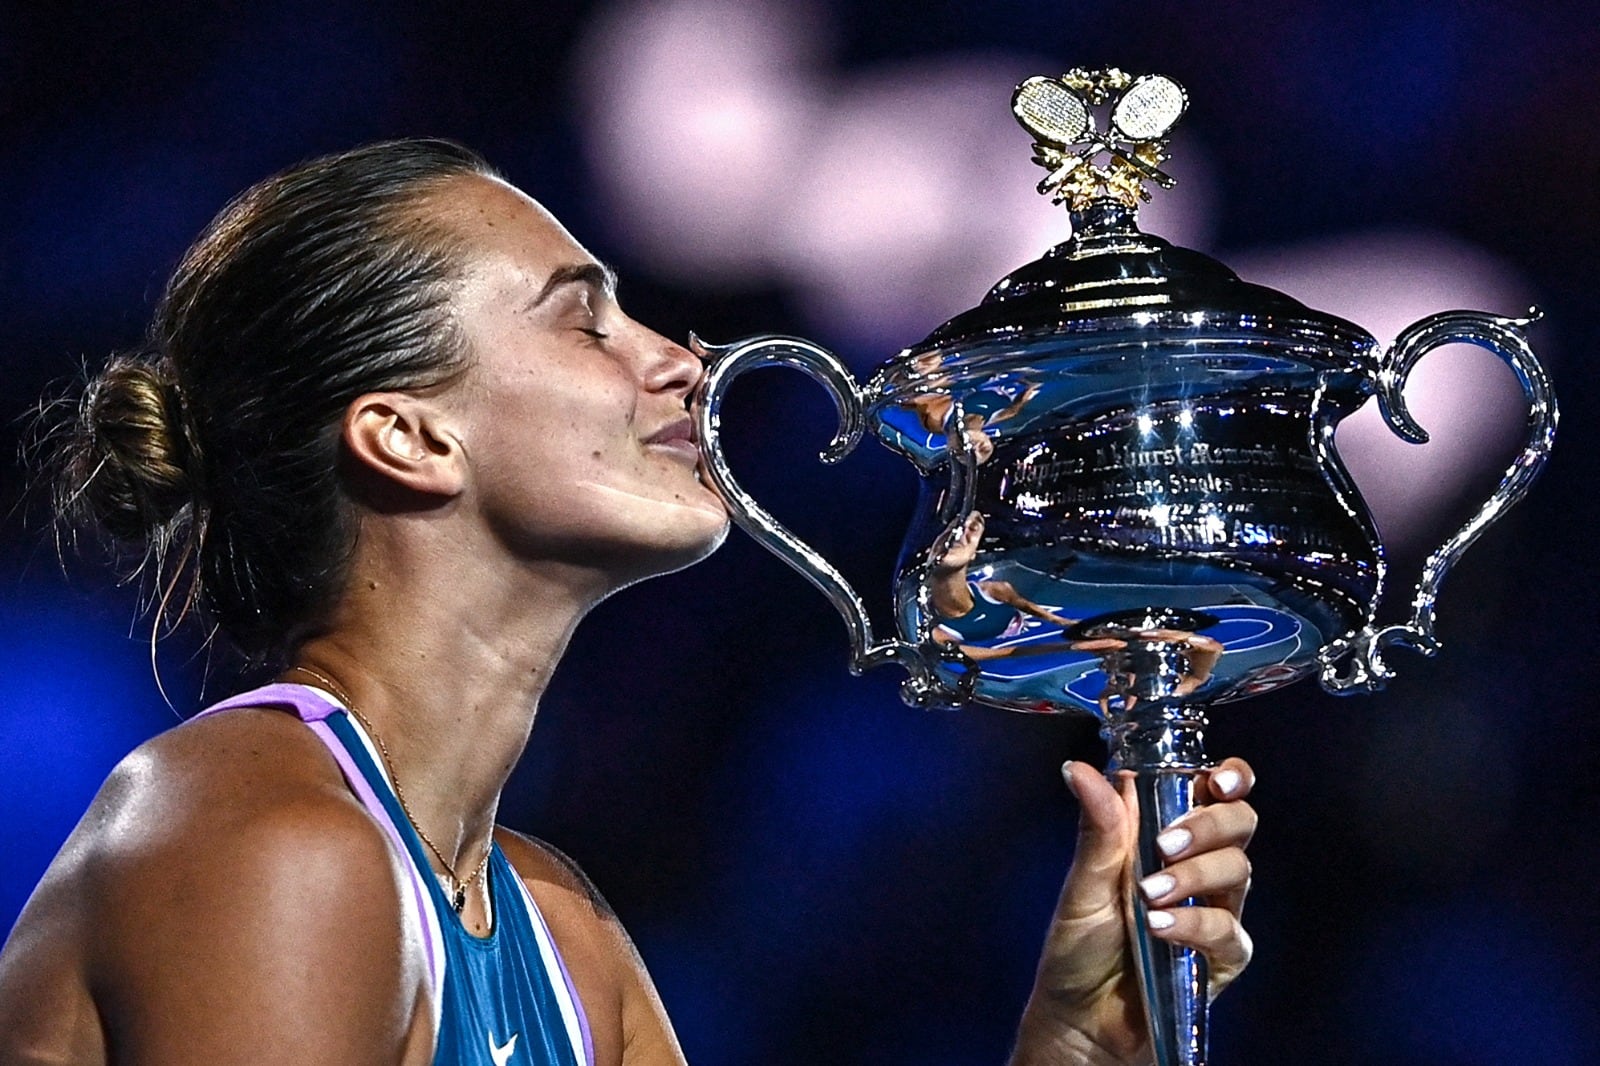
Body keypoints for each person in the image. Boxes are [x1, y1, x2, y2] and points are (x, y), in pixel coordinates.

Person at [0, 140, 1256, 1065]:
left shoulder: (560, 927)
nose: (687, 361)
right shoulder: (266, 845)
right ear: (407, 436)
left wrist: (1071, 1047)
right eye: (584, 321)